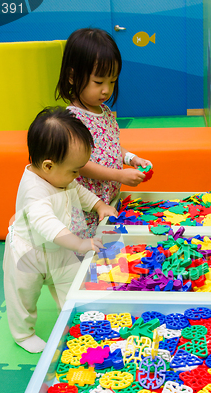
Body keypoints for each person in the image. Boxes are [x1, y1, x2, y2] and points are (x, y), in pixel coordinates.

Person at [3, 107, 117, 353]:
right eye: (74, 170)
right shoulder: (35, 190)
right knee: (22, 295)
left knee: (73, 283)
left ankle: (76, 320)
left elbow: (79, 190)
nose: (77, 176)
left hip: (58, 249)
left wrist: (99, 205)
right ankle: (23, 334)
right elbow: (47, 224)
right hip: (28, 252)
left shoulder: (60, 177)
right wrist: (79, 243)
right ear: (47, 165)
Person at [55, 27, 153, 237]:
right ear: (72, 77)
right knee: (85, 253)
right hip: (86, 208)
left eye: (112, 81)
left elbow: (110, 145)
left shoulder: (106, 112)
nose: (106, 90)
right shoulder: (72, 119)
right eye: (98, 82)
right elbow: (79, 165)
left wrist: (131, 158)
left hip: (108, 200)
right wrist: (119, 175)